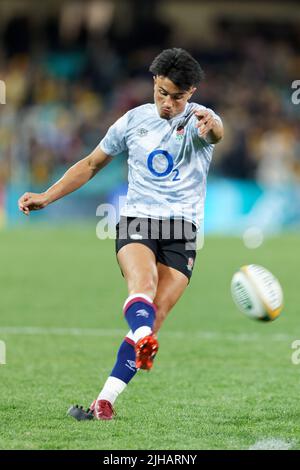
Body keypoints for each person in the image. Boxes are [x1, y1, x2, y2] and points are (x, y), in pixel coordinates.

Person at [18, 48, 224, 421]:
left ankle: (103, 401)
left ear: (191, 92)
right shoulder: (133, 121)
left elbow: (217, 135)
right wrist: (47, 196)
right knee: (142, 286)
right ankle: (139, 343)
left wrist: (213, 126)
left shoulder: (201, 121)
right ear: (154, 84)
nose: (167, 102)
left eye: (177, 96)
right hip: (138, 220)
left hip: (182, 230)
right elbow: (93, 163)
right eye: (162, 92)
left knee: (153, 317)